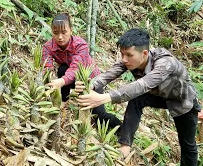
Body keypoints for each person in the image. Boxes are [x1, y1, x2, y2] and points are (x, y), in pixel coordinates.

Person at [75, 28, 201, 165]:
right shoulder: (129, 60)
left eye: (129, 55)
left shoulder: (165, 64)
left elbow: (143, 85)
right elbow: (108, 75)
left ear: (144, 53)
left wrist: (105, 97)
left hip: (182, 100)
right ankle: (125, 144)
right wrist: (90, 85)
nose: (124, 59)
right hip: (157, 95)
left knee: (187, 144)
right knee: (136, 98)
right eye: (122, 54)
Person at [42, 13, 122, 129]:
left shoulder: (80, 45)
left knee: (99, 114)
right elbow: (46, 68)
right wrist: (48, 83)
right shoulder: (48, 47)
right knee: (63, 69)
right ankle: (63, 101)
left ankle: (122, 130)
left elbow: (75, 68)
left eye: (64, 32)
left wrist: (60, 82)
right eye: (55, 33)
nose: (60, 37)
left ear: (71, 30)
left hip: (91, 80)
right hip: (70, 78)